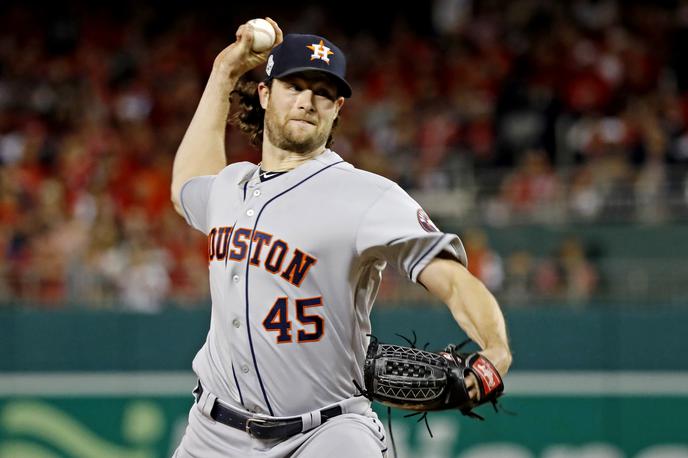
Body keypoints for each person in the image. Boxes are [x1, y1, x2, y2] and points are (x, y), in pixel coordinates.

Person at [170, 17, 512, 458]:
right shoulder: (230, 186)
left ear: (337, 110)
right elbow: (186, 186)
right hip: (214, 433)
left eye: (324, 93)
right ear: (265, 93)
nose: (308, 101)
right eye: (294, 86)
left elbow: (450, 277)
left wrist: (496, 347)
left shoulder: (366, 195)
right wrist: (224, 72)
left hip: (327, 431)